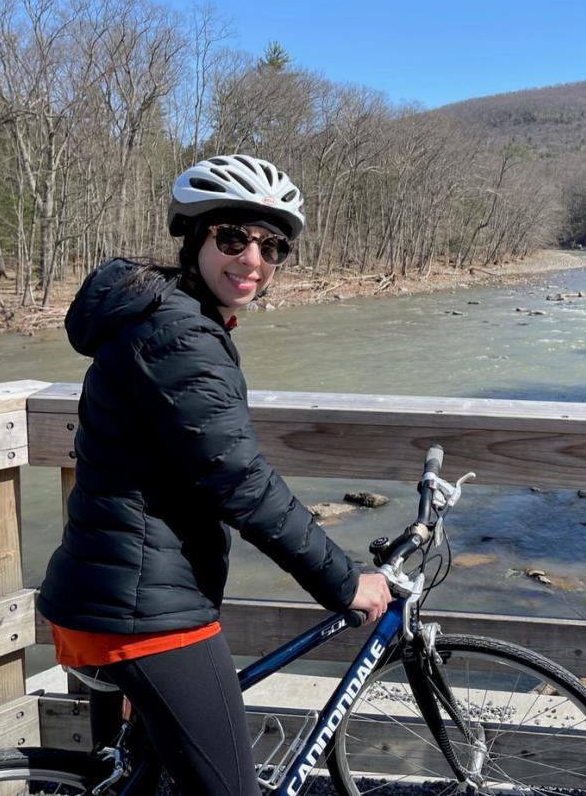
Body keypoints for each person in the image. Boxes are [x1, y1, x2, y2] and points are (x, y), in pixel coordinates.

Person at [38, 154, 390, 795]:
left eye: (271, 246)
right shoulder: (179, 337)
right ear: (195, 238)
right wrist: (344, 582)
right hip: (143, 612)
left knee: (139, 783)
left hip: (112, 594)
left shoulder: (159, 318)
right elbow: (240, 482)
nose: (252, 259)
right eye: (232, 238)